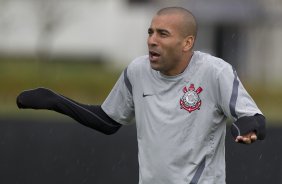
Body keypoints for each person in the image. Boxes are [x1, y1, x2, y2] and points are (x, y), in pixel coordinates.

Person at [16, 7, 266, 184]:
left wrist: (247, 127)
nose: (152, 40)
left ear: (187, 43)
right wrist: (54, 100)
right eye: (150, 32)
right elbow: (107, 121)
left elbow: (253, 118)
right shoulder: (137, 71)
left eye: (163, 34)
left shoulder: (214, 71)